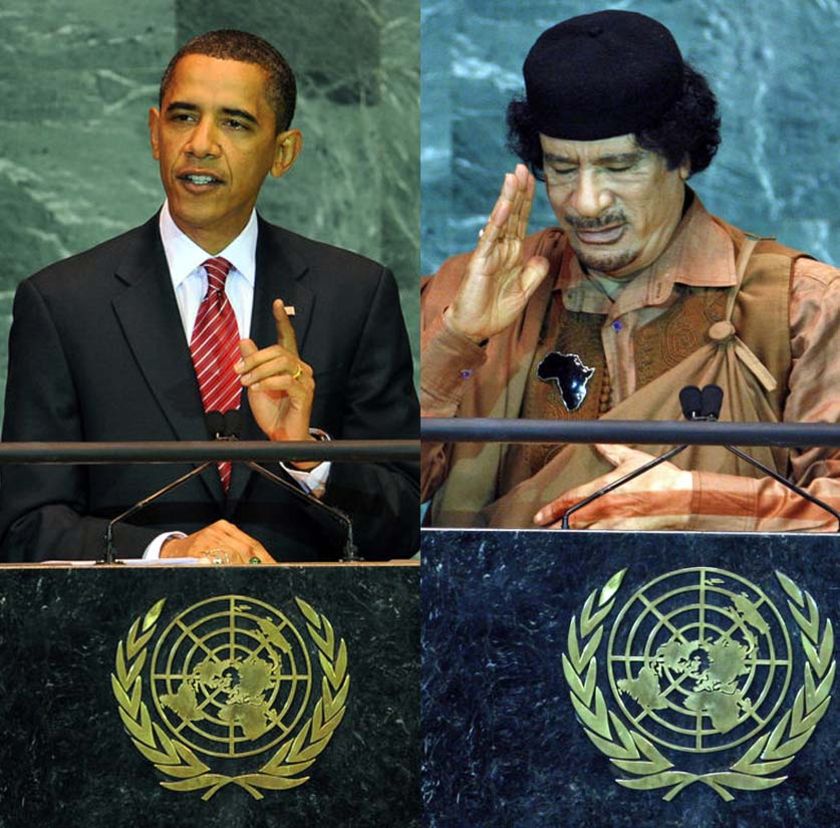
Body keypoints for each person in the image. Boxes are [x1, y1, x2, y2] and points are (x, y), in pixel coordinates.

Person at [0, 29, 419, 563]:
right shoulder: (62, 304)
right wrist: (167, 552)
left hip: (310, 636)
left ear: (283, 152)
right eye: (182, 117)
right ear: (155, 133)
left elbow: (405, 521)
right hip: (122, 635)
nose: (200, 143)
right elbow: (24, 526)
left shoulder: (355, 295)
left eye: (235, 123)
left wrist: (309, 458)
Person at [421, 10, 840, 532]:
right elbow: (376, 501)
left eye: (619, 168)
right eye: (562, 168)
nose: (586, 203)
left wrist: (701, 501)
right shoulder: (472, 289)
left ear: (681, 156)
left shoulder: (802, 304)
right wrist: (457, 341)